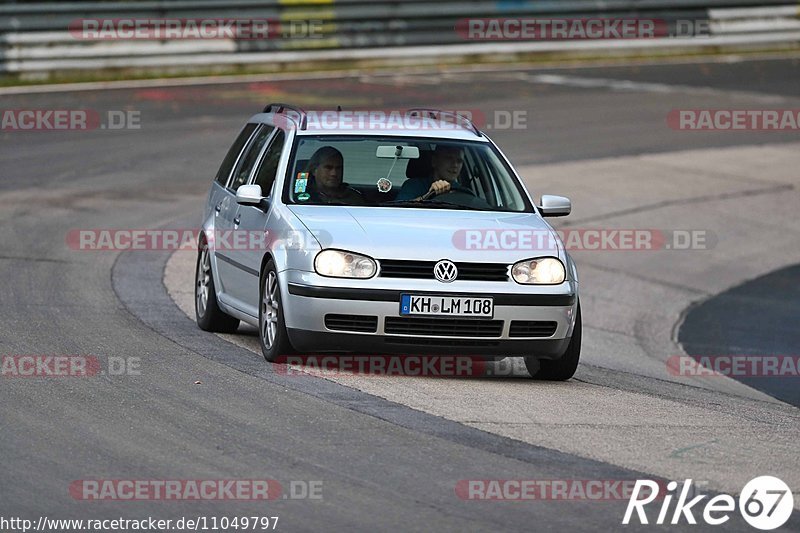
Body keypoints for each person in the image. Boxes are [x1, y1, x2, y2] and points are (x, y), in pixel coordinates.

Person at [395, 145, 468, 201]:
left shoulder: (463, 192)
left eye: (459, 161)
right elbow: (399, 211)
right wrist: (428, 195)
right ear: (434, 161)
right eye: (449, 158)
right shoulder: (412, 186)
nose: (455, 165)